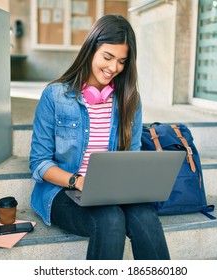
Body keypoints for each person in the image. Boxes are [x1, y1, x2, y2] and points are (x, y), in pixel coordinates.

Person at [29, 14, 170, 260]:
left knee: (145, 216)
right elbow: (39, 163)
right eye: (108, 57)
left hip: (113, 189)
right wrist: (78, 181)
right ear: (91, 48)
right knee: (110, 219)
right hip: (64, 190)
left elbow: (132, 156)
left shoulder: (129, 100)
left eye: (122, 61)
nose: (113, 68)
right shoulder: (55, 96)